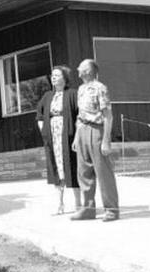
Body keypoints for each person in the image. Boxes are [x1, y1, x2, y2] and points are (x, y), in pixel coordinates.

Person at [70, 59, 119, 221]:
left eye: (81, 67)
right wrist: (77, 137)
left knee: (103, 172)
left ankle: (111, 209)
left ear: (88, 71)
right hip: (82, 130)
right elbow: (80, 115)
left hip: (96, 130)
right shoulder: (81, 89)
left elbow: (108, 116)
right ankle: (88, 209)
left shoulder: (100, 88)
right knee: (83, 172)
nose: (78, 69)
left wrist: (106, 141)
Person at [36, 65, 81, 214]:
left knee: (72, 166)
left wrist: (77, 136)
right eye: (52, 75)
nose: (53, 77)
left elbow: (79, 116)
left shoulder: (73, 94)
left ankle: (78, 204)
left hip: (68, 136)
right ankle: (60, 204)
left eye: (57, 75)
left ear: (65, 78)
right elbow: (40, 115)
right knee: (56, 168)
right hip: (52, 137)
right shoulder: (47, 96)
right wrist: (44, 131)